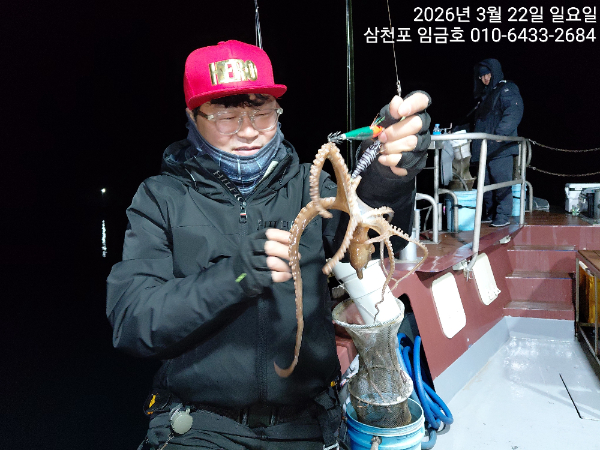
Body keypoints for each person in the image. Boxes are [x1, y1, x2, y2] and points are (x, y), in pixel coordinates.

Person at [106, 40, 431, 450]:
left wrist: (388, 175)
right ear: (193, 116)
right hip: (200, 424)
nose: (247, 130)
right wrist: (236, 275)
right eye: (226, 115)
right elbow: (134, 323)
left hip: (306, 422)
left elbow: (365, 240)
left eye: (261, 112)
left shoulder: (309, 187)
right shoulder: (161, 198)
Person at [470, 58, 524, 227]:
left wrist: (501, 134)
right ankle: (490, 213)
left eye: (487, 74)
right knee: (485, 184)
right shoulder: (485, 96)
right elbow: (479, 121)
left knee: (502, 184)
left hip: (500, 148)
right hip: (485, 149)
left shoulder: (507, 88)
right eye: (481, 76)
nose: (485, 78)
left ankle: (503, 216)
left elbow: (514, 110)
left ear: (495, 73)